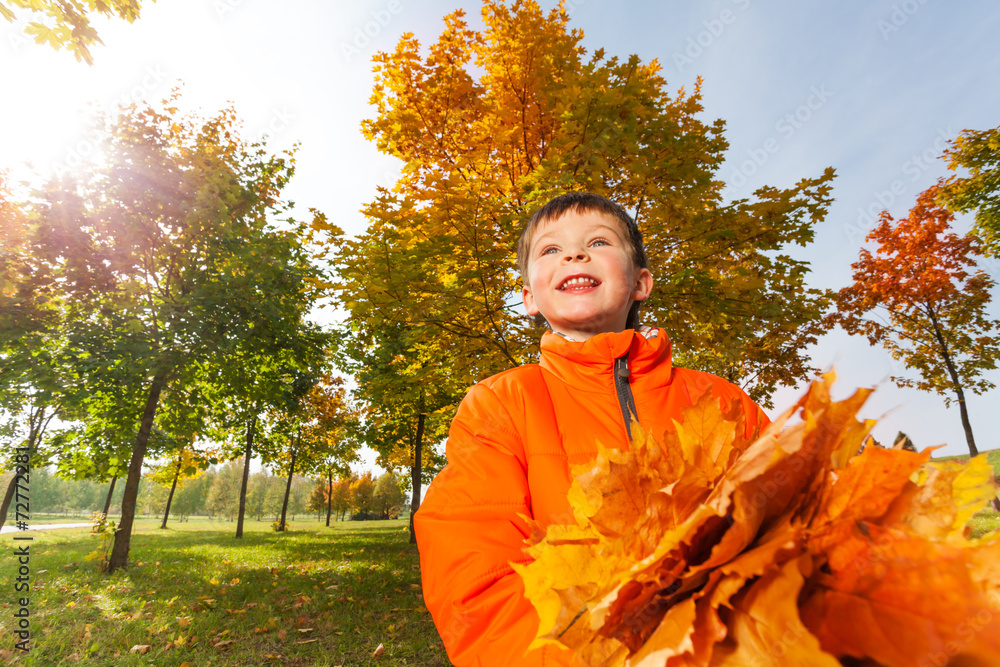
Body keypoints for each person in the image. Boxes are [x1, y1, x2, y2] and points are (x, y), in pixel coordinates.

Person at [414, 192, 770, 666]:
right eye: (550, 250)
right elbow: (471, 572)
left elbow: (790, 515)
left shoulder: (721, 401)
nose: (574, 254)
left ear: (640, 282)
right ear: (529, 298)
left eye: (598, 242)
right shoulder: (501, 403)